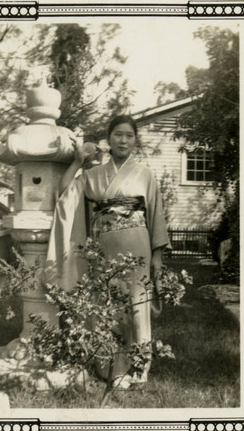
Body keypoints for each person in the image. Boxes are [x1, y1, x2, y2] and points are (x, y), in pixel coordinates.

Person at [48, 115, 169, 389]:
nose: (123, 140)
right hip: (105, 251)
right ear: (109, 139)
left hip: (138, 247)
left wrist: (157, 257)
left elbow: (157, 216)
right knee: (109, 308)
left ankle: (138, 369)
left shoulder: (145, 174)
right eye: (118, 135)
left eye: (128, 135)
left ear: (135, 140)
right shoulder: (94, 175)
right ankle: (111, 368)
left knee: (137, 308)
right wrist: (78, 162)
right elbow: (64, 191)